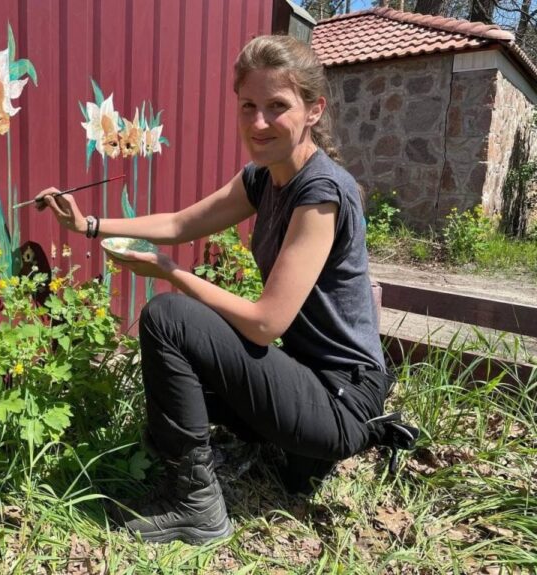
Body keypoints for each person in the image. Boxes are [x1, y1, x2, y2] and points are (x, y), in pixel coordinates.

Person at [36, 34, 404, 545]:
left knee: (170, 318)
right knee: (183, 381)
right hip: (307, 377)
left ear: (314, 110)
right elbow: (183, 222)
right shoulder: (264, 178)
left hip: (342, 400)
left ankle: (196, 508)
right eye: (248, 105)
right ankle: (278, 456)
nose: (258, 123)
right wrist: (91, 224)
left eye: (278, 106)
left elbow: (266, 322)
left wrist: (172, 274)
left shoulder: (321, 193)